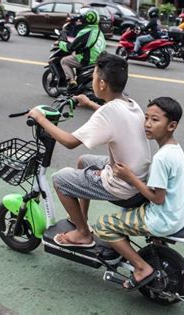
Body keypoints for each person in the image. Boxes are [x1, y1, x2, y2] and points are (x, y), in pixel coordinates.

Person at [27, 52, 151, 248]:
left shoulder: (107, 112)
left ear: (101, 84)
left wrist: (40, 118)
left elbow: (69, 142)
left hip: (124, 184)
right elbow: (111, 118)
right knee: (84, 161)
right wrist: (89, 103)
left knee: (60, 179)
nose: (92, 80)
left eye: (93, 76)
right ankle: (80, 217)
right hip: (139, 176)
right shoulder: (130, 104)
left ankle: (83, 233)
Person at [94, 97, 184, 291]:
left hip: (161, 218)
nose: (147, 124)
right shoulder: (174, 149)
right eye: (146, 118)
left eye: (155, 120)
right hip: (178, 214)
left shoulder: (162, 158)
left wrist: (131, 178)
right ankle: (154, 246)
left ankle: (142, 268)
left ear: (172, 125)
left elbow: (157, 198)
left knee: (103, 225)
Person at [58, 9, 105, 90]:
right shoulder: (98, 31)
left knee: (64, 61)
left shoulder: (85, 31)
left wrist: (61, 43)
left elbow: (70, 48)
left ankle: (72, 82)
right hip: (99, 57)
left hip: (88, 59)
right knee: (74, 55)